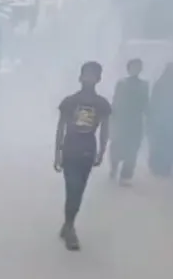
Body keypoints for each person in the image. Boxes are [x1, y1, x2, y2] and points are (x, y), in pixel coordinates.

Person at [54, 61, 111, 251]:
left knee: (79, 191)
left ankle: (68, 223)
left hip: (88, 151)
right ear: (80, 77)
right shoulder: (70, 101)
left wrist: (102, 151)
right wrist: (57, 153)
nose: (89, 78)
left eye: (93, 75)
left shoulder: (102, 104)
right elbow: (61, 127)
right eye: (87, 74)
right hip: (70, 149)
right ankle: (70, 228)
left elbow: (105, 129)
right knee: (72, 188)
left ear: (99, 79)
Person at [109, 58, 148, 185]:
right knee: (117, 146)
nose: (136, 69)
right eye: (133, 67)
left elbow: (146, 103)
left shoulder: (144, 85)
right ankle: (114, 167)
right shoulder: (122, 84)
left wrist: (149, 116)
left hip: (135, 121)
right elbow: (116, 100)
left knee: (133, 148)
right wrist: (112, 117)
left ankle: (126, 175)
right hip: (121, 120)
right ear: (128, 69)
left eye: (138, 67)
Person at [147, 63, 173, 178]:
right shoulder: (160, 84)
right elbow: (154, 102)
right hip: (160, 120)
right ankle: (158, 167)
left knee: (166, 145)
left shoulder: (160, 83)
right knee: (160, 145)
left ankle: (164, 168)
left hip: (166, 120)